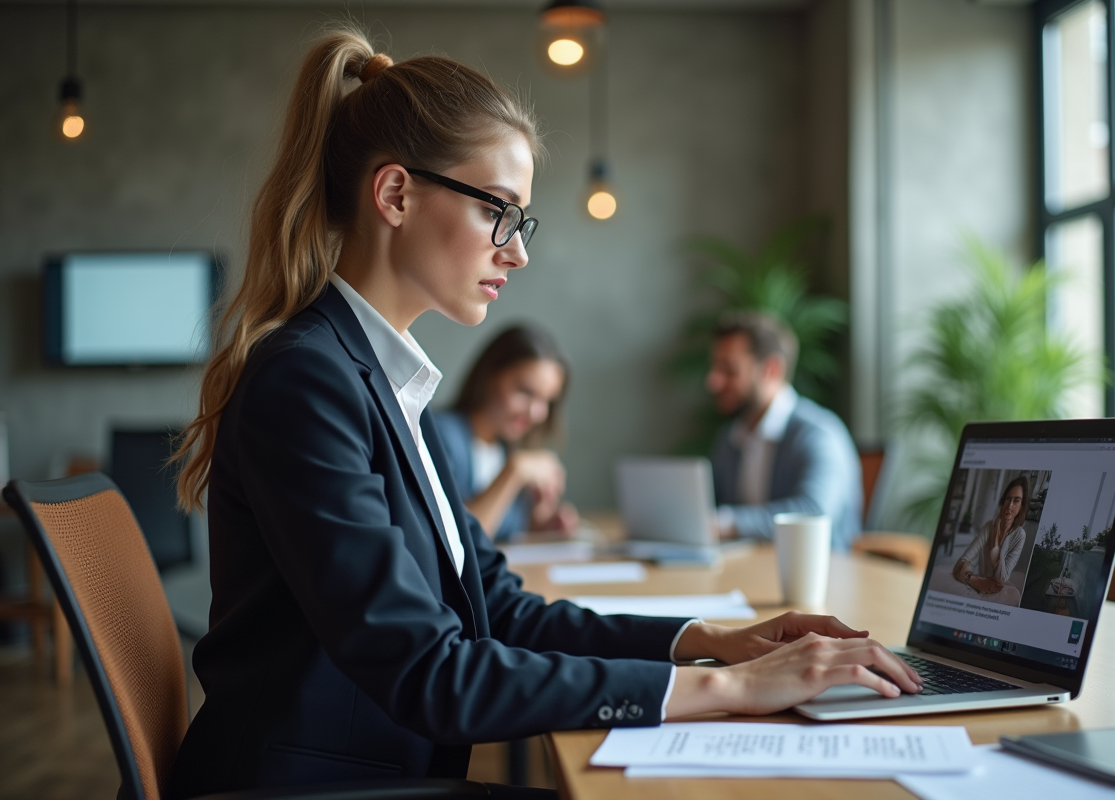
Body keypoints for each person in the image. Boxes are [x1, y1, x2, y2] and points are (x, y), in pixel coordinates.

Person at [166, 31, 921, 799]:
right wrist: (729, 689)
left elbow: (497, 609)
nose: (516, 252)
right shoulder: (308, 380)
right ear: (395, 195)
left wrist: (712, 641)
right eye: (498, 211)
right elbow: (428, 672)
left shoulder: (386, 383)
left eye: (520, 222)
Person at [706, 311, 862, 551]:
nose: (713, 381)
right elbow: (710, 506)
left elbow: (813, 513)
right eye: (715, 368)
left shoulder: (818, 434)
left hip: (825, 570)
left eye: (729, 369)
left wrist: (727, 523)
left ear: (772, 370)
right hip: (749, 567)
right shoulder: (731, 437)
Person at [434, 325, 577, 541]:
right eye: (525, 392)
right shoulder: (440, 435)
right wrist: (514, 472)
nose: (536, 414)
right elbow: (455, 541)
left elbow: (497, 527)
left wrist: (539, 523)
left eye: (547, 400)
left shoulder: (503, 447)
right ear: (489, 375)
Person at [952, 476, 1028, 606]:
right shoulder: (989, 527)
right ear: (1003, 501)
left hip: (998, 587)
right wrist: (974, 580)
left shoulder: (1019, 535)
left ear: (1022, 506)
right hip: (981, 581)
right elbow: (960, 563)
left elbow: (1001, 578)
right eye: (1008, 499)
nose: (1010, 505)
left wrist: (995, 544)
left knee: (1013, 596)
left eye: (1016, 500)